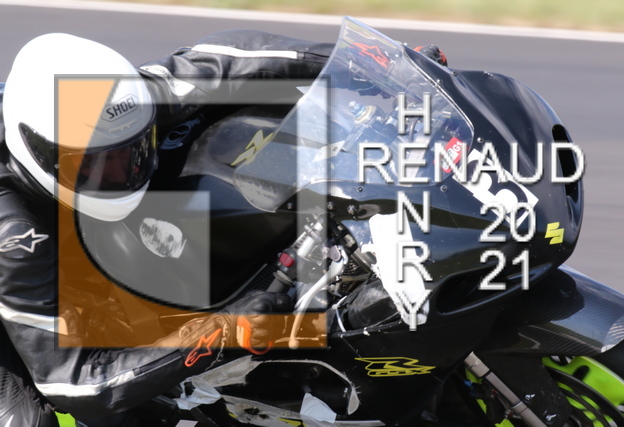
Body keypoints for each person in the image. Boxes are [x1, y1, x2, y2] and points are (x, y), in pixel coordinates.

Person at [0, 29, 448, 426]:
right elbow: (76, 382)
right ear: (40, 153)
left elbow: (231, 57)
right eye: (96, 166)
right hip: (22, 294)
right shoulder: (14, 233)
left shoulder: (126, 102)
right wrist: (222, 332)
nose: (122, 174)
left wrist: (382, 63)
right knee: (42, 418)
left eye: (131, 152)